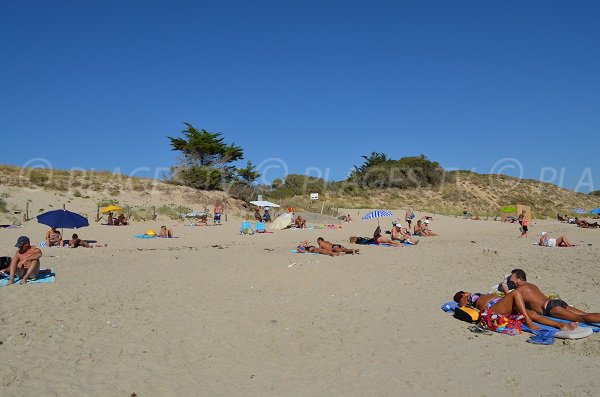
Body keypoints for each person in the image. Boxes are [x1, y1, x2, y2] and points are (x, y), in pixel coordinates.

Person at [502, 269, 600, 324]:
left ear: (519, 278)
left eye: (512, 278)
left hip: (550, 308)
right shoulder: (531, 285)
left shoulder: (519, 290)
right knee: (585, 314)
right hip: (556, 302)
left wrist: (506, 292)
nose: (511, 281)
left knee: (581, 319)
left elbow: (513, 299)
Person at [453, 290, 576, 331]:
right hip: (492, 309)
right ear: (464, 293)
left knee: (532, 313)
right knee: (516, 293)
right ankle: (527, 321)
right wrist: (462, 299)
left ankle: (561, 325)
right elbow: (462, 306)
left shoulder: (476, 294)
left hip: (501, 304)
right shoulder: (463, 298)